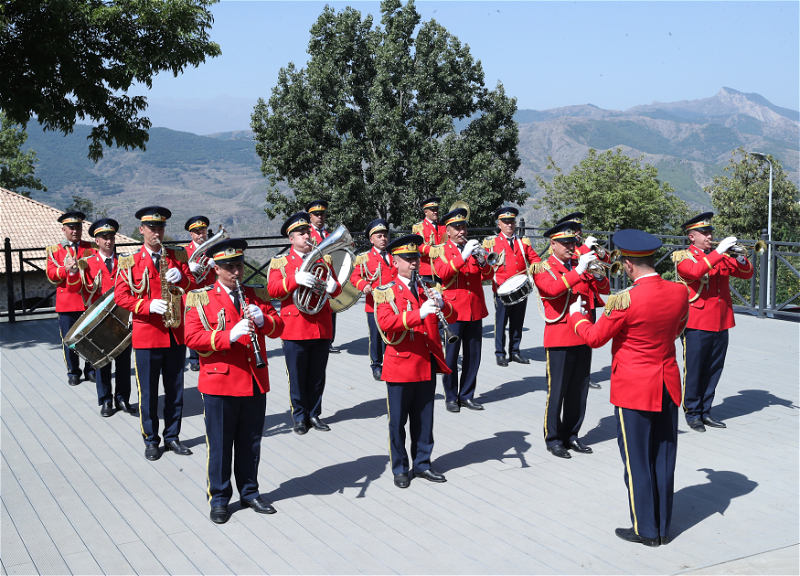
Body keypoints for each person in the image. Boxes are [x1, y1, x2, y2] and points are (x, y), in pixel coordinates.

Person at [568, 229, 690, 547]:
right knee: (663, 458)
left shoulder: (625, 300)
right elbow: (678, 329)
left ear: (628, 265)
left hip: (635, 388)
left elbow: (595, 338)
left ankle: (646, 530)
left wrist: (576, 318)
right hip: (667, 384)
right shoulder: (679, 292)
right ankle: (663, 526)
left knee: (637, 461)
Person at [184, 239, 284, 524]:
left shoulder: (255, 295)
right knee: (220, 444)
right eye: (229, 267)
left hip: (254, 380)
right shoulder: (200, 297)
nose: (236, 273)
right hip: (220, 383)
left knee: (250, 442)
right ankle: (219, 498)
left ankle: (250, 492)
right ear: (216, 269)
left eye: (239, 266)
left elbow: (279, 327)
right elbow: (191, 337)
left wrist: (264, 319)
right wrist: (227, 335)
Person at [374, 234, 456, 488]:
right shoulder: (385, 291)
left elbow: (451, 313)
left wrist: (442, 303)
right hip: (400, 364)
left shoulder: (427, 286)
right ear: (394, 261)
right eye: (407, 259)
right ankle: (400, 468)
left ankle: (423, 464)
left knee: (424, 418)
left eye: (415, 258)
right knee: (398, 422)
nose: (413, 263)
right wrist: (417, 314)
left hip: (426, 361)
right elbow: (386, 323)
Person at [114, 206, 195, 461]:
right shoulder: (129, 261)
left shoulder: (177, 255)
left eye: (160, 228)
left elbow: (193, 282)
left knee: (175, 390)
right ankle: (151, 440)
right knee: (147, 392)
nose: (156, 233)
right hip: (148, 334)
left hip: (175, 333)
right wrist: (146, 305)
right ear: (141, 230)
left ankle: (172, 437)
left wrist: (182, 276)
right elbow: (121, 296)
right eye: (151, 228)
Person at [531, 221, 609, 458]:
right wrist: (578, 270)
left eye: (573, 242)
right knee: (558, 391)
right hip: (560, 337)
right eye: (564, 243)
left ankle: (572, 434)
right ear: (552, 244)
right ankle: (553, 438)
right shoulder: (542, 267)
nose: (570, 246)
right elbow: (552, 290)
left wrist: (595, 271)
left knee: (579, 390)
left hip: (584, 333)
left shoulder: (580, 263)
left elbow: (603, 289)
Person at [674, 212, 753, 432]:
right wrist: (718, 252)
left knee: (713, 369)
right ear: (692, 237)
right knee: (695, 369)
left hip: (721, 321)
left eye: (710, 232)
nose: (709, 236)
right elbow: (696, 272)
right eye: (704, 233)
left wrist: (738, 256)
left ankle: (706, 411)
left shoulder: (719, 256)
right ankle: (693, 413)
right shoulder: (684, 257)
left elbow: (746, 274)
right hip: (696, 323)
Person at [268, 212, 342, 435]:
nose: (307, 236)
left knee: (318, 375)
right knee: (298, 376)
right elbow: (272, 290)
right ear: (291, 239)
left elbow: (337, 287)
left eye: (307, 232)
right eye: (301, 234)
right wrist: (294, 280)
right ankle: (299, 416)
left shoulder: (323, 259)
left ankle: (314, 414)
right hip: (295, 327)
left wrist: (332, 287)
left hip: (320, 325)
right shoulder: (280, 262)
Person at [433, 207, 493, 413]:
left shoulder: (473, 248)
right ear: (447, 231)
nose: (461, 232)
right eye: (456, 228)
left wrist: (483, 261)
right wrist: (463, 256)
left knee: (473, 355)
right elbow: (444, 273)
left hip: (475, 309)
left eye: (464, 227)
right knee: (451, 356)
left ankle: (467, 395)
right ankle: (451, 397)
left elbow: (488, 275)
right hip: (453, 311)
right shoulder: (440, 251)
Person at [80, 218, 135, 417]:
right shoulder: (87, 263)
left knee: (123, 361)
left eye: (111, 237)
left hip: (122, 318)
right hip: (99, 321)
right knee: (102, 362)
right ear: (97, 241)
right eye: (104, 238)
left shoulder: (124, 262)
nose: (109, 241)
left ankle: (122, 399)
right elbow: (83, 291)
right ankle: (105, 400)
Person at [483, 206, 541, 366]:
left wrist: (533, 268)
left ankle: (515, 351)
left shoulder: (523, 243)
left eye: (512, 222)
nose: (509, 225)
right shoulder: (492, 243)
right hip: (501, 290)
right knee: (501, 323)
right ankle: (500, 353)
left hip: (520, 289)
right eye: (505, 222)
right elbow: (484, 264)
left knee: (518, 322)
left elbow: (535, 259)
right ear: (499, 224)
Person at [556, 211, 608, 389]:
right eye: (575, 230)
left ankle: (586, 375)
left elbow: (604, 260)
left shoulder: (581, 247)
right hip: (574, 299)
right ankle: (574, 376)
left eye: (579, 229)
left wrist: (597, 251)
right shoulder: (572, 249)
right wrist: (586, 247)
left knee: (588, 340)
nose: (578, 233)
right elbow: (576, 261)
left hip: (590, 298)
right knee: (573, 338)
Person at [46, 211, 97, 386]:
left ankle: (91, 369)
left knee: (90, 338)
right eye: (71, 227)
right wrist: (65, 270)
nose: (75, 231)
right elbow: (52, 275)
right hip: (67, 303)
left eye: (78, 227)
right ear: (64, 229)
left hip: (88, 300)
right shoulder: (55, 251)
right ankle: (73, 372)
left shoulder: (91, 248)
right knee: (70, 341)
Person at [349, 218, 396, 380]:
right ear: (371, 239)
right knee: (376, 336)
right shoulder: (365, 258)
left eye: (385, 235)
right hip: (375, 305)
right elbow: (354, 277)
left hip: (394, 304)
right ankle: (376, 365)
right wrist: (363, 285)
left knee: (392, 335)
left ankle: (391, 363)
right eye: (379, 236)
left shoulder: (394, 255)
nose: (383, 239)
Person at [306, 199, 341, 354]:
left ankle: (329, 340)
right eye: (316, 215)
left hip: (329, 276)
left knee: (330, 308)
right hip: (314, 275)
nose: (319, 217)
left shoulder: (328, 234)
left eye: (322, 214)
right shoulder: (307, 234)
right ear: (310, 217)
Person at [182, 215, 214, 371]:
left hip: (210, 291)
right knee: (194, 324)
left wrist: (216, 264)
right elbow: (180, 272)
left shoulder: (213, 250)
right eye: (197, 232)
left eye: (203, 231)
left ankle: (210, 351)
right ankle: (194, 357)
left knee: (211, 321)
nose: (201, 235)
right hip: (192, 293)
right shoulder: (184, 252)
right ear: (191, 234)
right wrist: (189, 267)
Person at [412, 197, 446, 285]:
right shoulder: (419, 227)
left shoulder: (444, 226)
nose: (435, 212)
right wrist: (431, 250)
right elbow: (417, 245)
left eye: (436, 209)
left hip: (444, 268)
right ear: (426, 212)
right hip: (428, 269)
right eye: (432, 210)